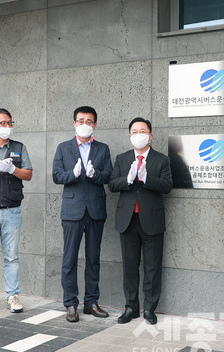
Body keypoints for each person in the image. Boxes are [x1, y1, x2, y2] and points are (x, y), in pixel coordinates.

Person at [108, 117, 172, 325]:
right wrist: (127, 180)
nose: (138, 135)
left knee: (152, 267)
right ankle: (131, 307)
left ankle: (150, 309)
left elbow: (167, 186)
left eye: (142, 131)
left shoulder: (161, 160)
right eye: (134, 132)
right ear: (129, 136)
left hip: (151, 219)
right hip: (127, 220)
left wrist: (147, 179)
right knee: (130, 266)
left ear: (150, 135)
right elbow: (112, 184)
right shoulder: (122, 158)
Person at [52, 106, 112, 323]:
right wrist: (73, 174)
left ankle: (91, 302)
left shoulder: (102, 149)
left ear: (95, 124)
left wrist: (95, 174)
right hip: (72, 210)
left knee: (93, 258)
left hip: (95, 209)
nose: (85, 124)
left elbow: (108, 175)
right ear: (74, 123)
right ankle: (70, 303)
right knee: (69, 259)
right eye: (81, 120)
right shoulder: (63, 147)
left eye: (89, 121)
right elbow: (56, 176)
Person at [0, 108, 33, 313]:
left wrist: (12, 169)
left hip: (12, 210)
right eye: (3, 123)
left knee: (11, 257)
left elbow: (28, 174)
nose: (7, 126)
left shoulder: (19, 147)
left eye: (9, 123)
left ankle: (12, 295)